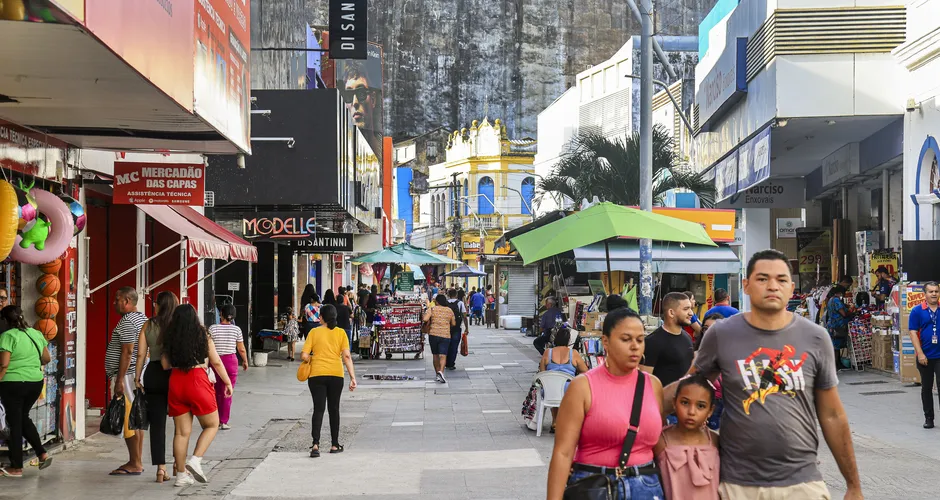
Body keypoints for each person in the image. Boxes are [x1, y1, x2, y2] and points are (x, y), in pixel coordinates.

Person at [665, 249, 862, 500]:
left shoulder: (815, 337)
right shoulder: (721, 334)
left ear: (791, 288)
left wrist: (853, 486)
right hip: (738, 485)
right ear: (746, 285)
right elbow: (687, 387)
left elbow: (832, 415)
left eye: (780, 280)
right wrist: (637, 400)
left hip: (802, 483)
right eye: (762, 279)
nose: (772, 286)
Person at [546, 307, 665, 500]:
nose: (635, 346)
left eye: (640, 340)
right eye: (626, 339)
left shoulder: (653, 385)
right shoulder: (582, 387)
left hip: (647, 487)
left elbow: (660, 447)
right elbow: (563, 453)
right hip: (595, 487)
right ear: (605, 342)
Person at [161, 304, 233, 487]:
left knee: (181, 433)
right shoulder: (203, 336)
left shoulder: (169, 337)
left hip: (176, 382)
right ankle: (195, 460)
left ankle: (180, 476)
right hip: (197, 380)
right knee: (212, 424)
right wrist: (227, 382)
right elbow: (216, 362)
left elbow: (164, 365)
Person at [0, 305, 53, 477]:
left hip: (13, 384)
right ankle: (42, 453)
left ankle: (16, 467)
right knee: (22, 417)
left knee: (15, 423)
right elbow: (46, 358)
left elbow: (4, 364)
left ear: (5, 320)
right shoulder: (35, 333)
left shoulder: (7, 336)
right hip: (35, 382)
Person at [133, 291, 179, 483]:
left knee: (157, 424)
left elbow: (141, 354)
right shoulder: (177, 325)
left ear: (159, 305)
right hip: (175, 375)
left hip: (153, 373)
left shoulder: (148, 324)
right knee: (180, 422)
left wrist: (137, 377)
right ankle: (178, 463)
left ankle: (161, 468)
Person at [301, 304, 357, 457]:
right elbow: (346, 356)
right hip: (336, 375)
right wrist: (352, 377)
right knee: (334, 409)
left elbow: (304, 355)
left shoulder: (314, 332)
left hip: (316, 375)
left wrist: (313, 357)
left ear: (322, 318)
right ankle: (334, 444)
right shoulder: (341, 333)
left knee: (318, 409)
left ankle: (315, 445)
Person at [104, 286, 148, 476]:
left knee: (129, 418)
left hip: (129, 376)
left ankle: (134, 462)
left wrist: (119, 380)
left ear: (127, 301)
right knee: (136, 419)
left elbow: (128, 352)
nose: (114, 303)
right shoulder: (142, 319)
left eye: (117, 299)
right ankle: (136, 460)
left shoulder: (128, 321)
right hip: (136, 375)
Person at [655, 374, 720, 500]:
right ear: (674, 402)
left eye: (700, 406)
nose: (691, 412)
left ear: (711, 410)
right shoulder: (661, 441)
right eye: (685, 403)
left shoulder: (715, 440)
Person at [538, 327, 588, 433]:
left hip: (549, 390)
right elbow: (585, 371)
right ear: (569, 340)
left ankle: (555, 422)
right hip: (568, 390)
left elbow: (542, 372)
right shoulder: (573, 353)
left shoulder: (547, 352)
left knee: (552, 387)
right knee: (570, 389)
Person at [641, 292, 695, 388]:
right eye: (686, 309)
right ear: (671, 312)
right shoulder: (653, 342)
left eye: (691, 308)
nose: (691, 313)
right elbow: (644, 382)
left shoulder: (687, 337)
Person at [208, 304, 249, 430]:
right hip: (231, 361)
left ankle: (213, 420)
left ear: (221, 314)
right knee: (227, 391)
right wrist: (245, 361)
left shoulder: (212, 328)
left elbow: (208, 347)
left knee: (214, 391)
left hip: (215, 361)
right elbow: (241, 349)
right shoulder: (236, 330)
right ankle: (223, 421)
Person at [908, 281, 940, 428]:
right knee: (926, 388)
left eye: (936, 291)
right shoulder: (917, 311)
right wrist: (920, 353)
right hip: (925, 356)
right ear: (924, 294)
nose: (934, 294)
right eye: (931, 291)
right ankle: (929, 418)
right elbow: (913, 332)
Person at [695, 313, 725, 431]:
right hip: (706, 404)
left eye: (712, 329)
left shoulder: (732, 354)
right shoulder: (696, 355)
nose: (708, 333)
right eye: (705, 328)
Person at [423, 294, 456, 383]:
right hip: (445, 335)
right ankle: (441, 372)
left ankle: (437, 374)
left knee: (435, 355)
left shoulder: (432, 309)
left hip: (433, 334)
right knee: (443, 355)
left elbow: (425, 319)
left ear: (437, 302)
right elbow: (453, 323)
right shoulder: (449, 310)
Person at [826, 285, 852, 371]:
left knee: (835, 346)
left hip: (832, 325)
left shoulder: (831, 300)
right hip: (837, 326)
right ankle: (835, 366)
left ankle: (837, 364)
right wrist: (851, 312)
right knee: (836, 347)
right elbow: (843, 313)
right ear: (840, 292)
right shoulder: (836, 300)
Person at [446, 289, 469, 370]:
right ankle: (451, 363)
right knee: (454, 346)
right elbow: (464, 316)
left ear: (448, 294)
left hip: (446, 328)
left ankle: (446, 362)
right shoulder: (460, 303)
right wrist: (466, 328)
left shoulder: (445, 303)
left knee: (447, 345)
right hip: (456, 328)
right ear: (456, 294)